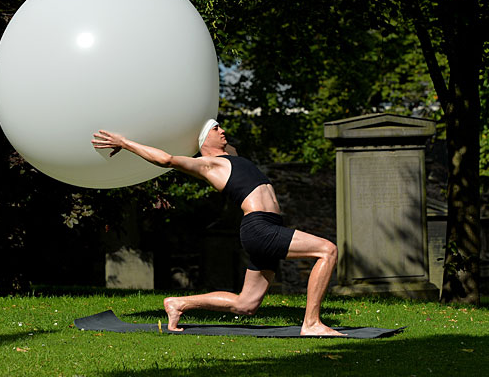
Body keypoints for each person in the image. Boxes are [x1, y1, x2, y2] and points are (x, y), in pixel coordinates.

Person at [91, 119, 341, 336]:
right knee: (327, 250)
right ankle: (311, 323)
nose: (222, 130)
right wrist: (125, 142)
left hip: (267, 226)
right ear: (203, 142)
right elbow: (166, 159)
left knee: (246, 305)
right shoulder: (209, 165)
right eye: (215, 128)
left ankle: (178, 303)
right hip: (259, 227)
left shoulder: (231, 156)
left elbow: (203, 122)